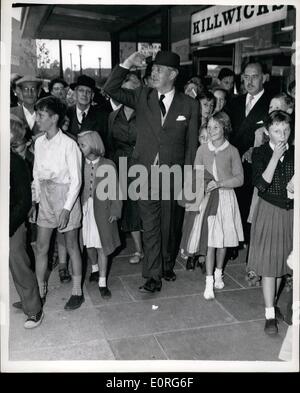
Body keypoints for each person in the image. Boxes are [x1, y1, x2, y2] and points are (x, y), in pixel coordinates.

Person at [104, 50, 199, 293]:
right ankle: (152, 275)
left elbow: (191, 145)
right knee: (151, 226)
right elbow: (111, 88)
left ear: (173, 74)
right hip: (144, 174)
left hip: (173, 175)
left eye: (159, 70)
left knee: (169, 226)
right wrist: (127, 64)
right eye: (153, 69)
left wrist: (188, 178)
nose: (153, 73)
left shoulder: (189, 104)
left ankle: (167, 263)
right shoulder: (142, 96)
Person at [31, 96, 84, 310]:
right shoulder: (38, 142)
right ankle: (39, 292)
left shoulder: (69, 144)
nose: (37, 119)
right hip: (45, 194)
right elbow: (36, 174)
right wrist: (35, 200)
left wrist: (66, 208)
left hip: (65, 196)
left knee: (72, 246)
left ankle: (77, 291)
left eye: (41, 115)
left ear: (54, 118)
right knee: (42, 247)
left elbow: (77, 180)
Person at [246, 111, 294, 335]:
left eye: (286, 130)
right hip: (269, 211)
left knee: (282, 265)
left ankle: (273, 305)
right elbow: (262, 185)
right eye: (277, 131)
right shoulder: (260, 153)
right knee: (269, 267)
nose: (282, 135)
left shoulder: (295, 152)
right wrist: (275, 157)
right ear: (267, 132)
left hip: (290, 213)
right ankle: (269, 315)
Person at [194, 112, 244, 300]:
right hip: (207, 200)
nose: (212, 131)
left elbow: (240, 179)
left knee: (223, 240)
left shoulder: (232, 151)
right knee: (210, 241)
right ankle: (208, 282)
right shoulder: (202, 150)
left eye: (216, 127)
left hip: (225, 199)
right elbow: (196, 173)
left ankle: (218, 272)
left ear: (225, 128)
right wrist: (202, 186)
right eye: (209, 127)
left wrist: (221, 183)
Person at [224, 62, 271, 244]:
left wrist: (256, 150)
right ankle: (234, 242)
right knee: (233, 204)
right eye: (246, 77)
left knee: (250, 207)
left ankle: (250, 242)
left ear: (264, 78)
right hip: (233, 163)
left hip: (256, 165)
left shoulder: (271, 103)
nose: (249, 81)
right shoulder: (234, 102)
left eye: (255, 76)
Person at [78, 131, 122, 298]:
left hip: (103, 210)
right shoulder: (79, 163)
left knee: (102, 244)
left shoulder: (108, 164)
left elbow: (116, 190)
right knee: (88, 243)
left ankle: (103, 281)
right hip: (84, 210)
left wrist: (115, 210)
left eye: (83, 144)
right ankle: (95, 268)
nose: (79, 147)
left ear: (94, 145)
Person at [10, 116, 44, 329]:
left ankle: (34, 309)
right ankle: (25, 298)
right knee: (12, 264)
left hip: (12, 223)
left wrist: (9, 226)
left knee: (18, 262)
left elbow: (24, 202)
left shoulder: (16, 163)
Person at [107, 72, 144, 265]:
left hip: (144, 166)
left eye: (134, 90)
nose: (129, 95)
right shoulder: (113, 116)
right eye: (126, 90)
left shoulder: (148, 113)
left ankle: (153, 246)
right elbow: (110, 143)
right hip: (121, 164)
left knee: (145, 206)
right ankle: (139, 250)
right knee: (130, 208)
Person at [67, 75, 109, 148]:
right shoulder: (66, 113)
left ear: (92, 96)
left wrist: (122, 160)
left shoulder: (103, 116)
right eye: (81, 90)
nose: (84, 94)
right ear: (75, 93)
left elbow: (109, 145)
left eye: (88, 92)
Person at [11, 75, 43, 142]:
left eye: (33, 89)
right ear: (21, 92)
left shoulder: (48, 114)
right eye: (26, 89)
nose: (29, 93)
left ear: (38, 92)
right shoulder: (10, 113)